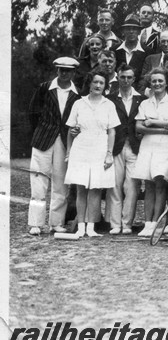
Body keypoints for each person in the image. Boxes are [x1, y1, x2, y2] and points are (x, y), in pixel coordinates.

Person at [27, 57, 80, 235]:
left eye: (68, 70)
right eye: (61, 70)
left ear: (74, 72)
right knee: (38, 180)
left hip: (64, 142)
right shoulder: (44, 88)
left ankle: (56, 223)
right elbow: (33, 112)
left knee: (61, 183)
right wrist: (41, 131)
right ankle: (35, 223)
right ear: (57, 70)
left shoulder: (77, 94)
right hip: (43, 139)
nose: (64, 73)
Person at [64, 69, 120, 237]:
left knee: (95, 189)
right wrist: (68, 152)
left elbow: (112, 132)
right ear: (89, 83)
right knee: (81, 189)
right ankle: (81, 227)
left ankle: (91, 227)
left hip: (100, 148)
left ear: (105, 86)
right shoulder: (78, 103)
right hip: (81, 148)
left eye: (101, 83)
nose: (98, 85)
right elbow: (70, 130)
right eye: (95, 82)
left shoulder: (109, 105)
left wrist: (109, 154)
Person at [133, 68, 168, 238]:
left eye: (160, 81)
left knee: (160, 182)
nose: (157, 84)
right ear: (150, 83)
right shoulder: (145, 104)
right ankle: (147, 224)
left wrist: (152, 123)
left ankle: (156, 223)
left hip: (165, 148)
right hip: (147, 146)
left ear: (166, 83)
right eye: (154, 81)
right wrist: (163, 127)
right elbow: (138, 127)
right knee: (148, 185)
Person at [107, 64, 144, 235]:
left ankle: (127, 223)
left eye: (129, 77)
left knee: (132, 186)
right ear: (118, 78)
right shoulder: (110, 99)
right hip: (116, 146)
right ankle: (115, 224)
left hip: (135, 147)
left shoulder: (141, 99)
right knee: (114, 185)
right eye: (123, 77)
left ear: (134, 79)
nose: (126, 80)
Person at [114, 13, 147, 82]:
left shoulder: (147, 52)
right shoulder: (114, 50)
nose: (131, 32)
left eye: (134, 29)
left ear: (139, 32)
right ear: (123, 31)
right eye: (128, 29)